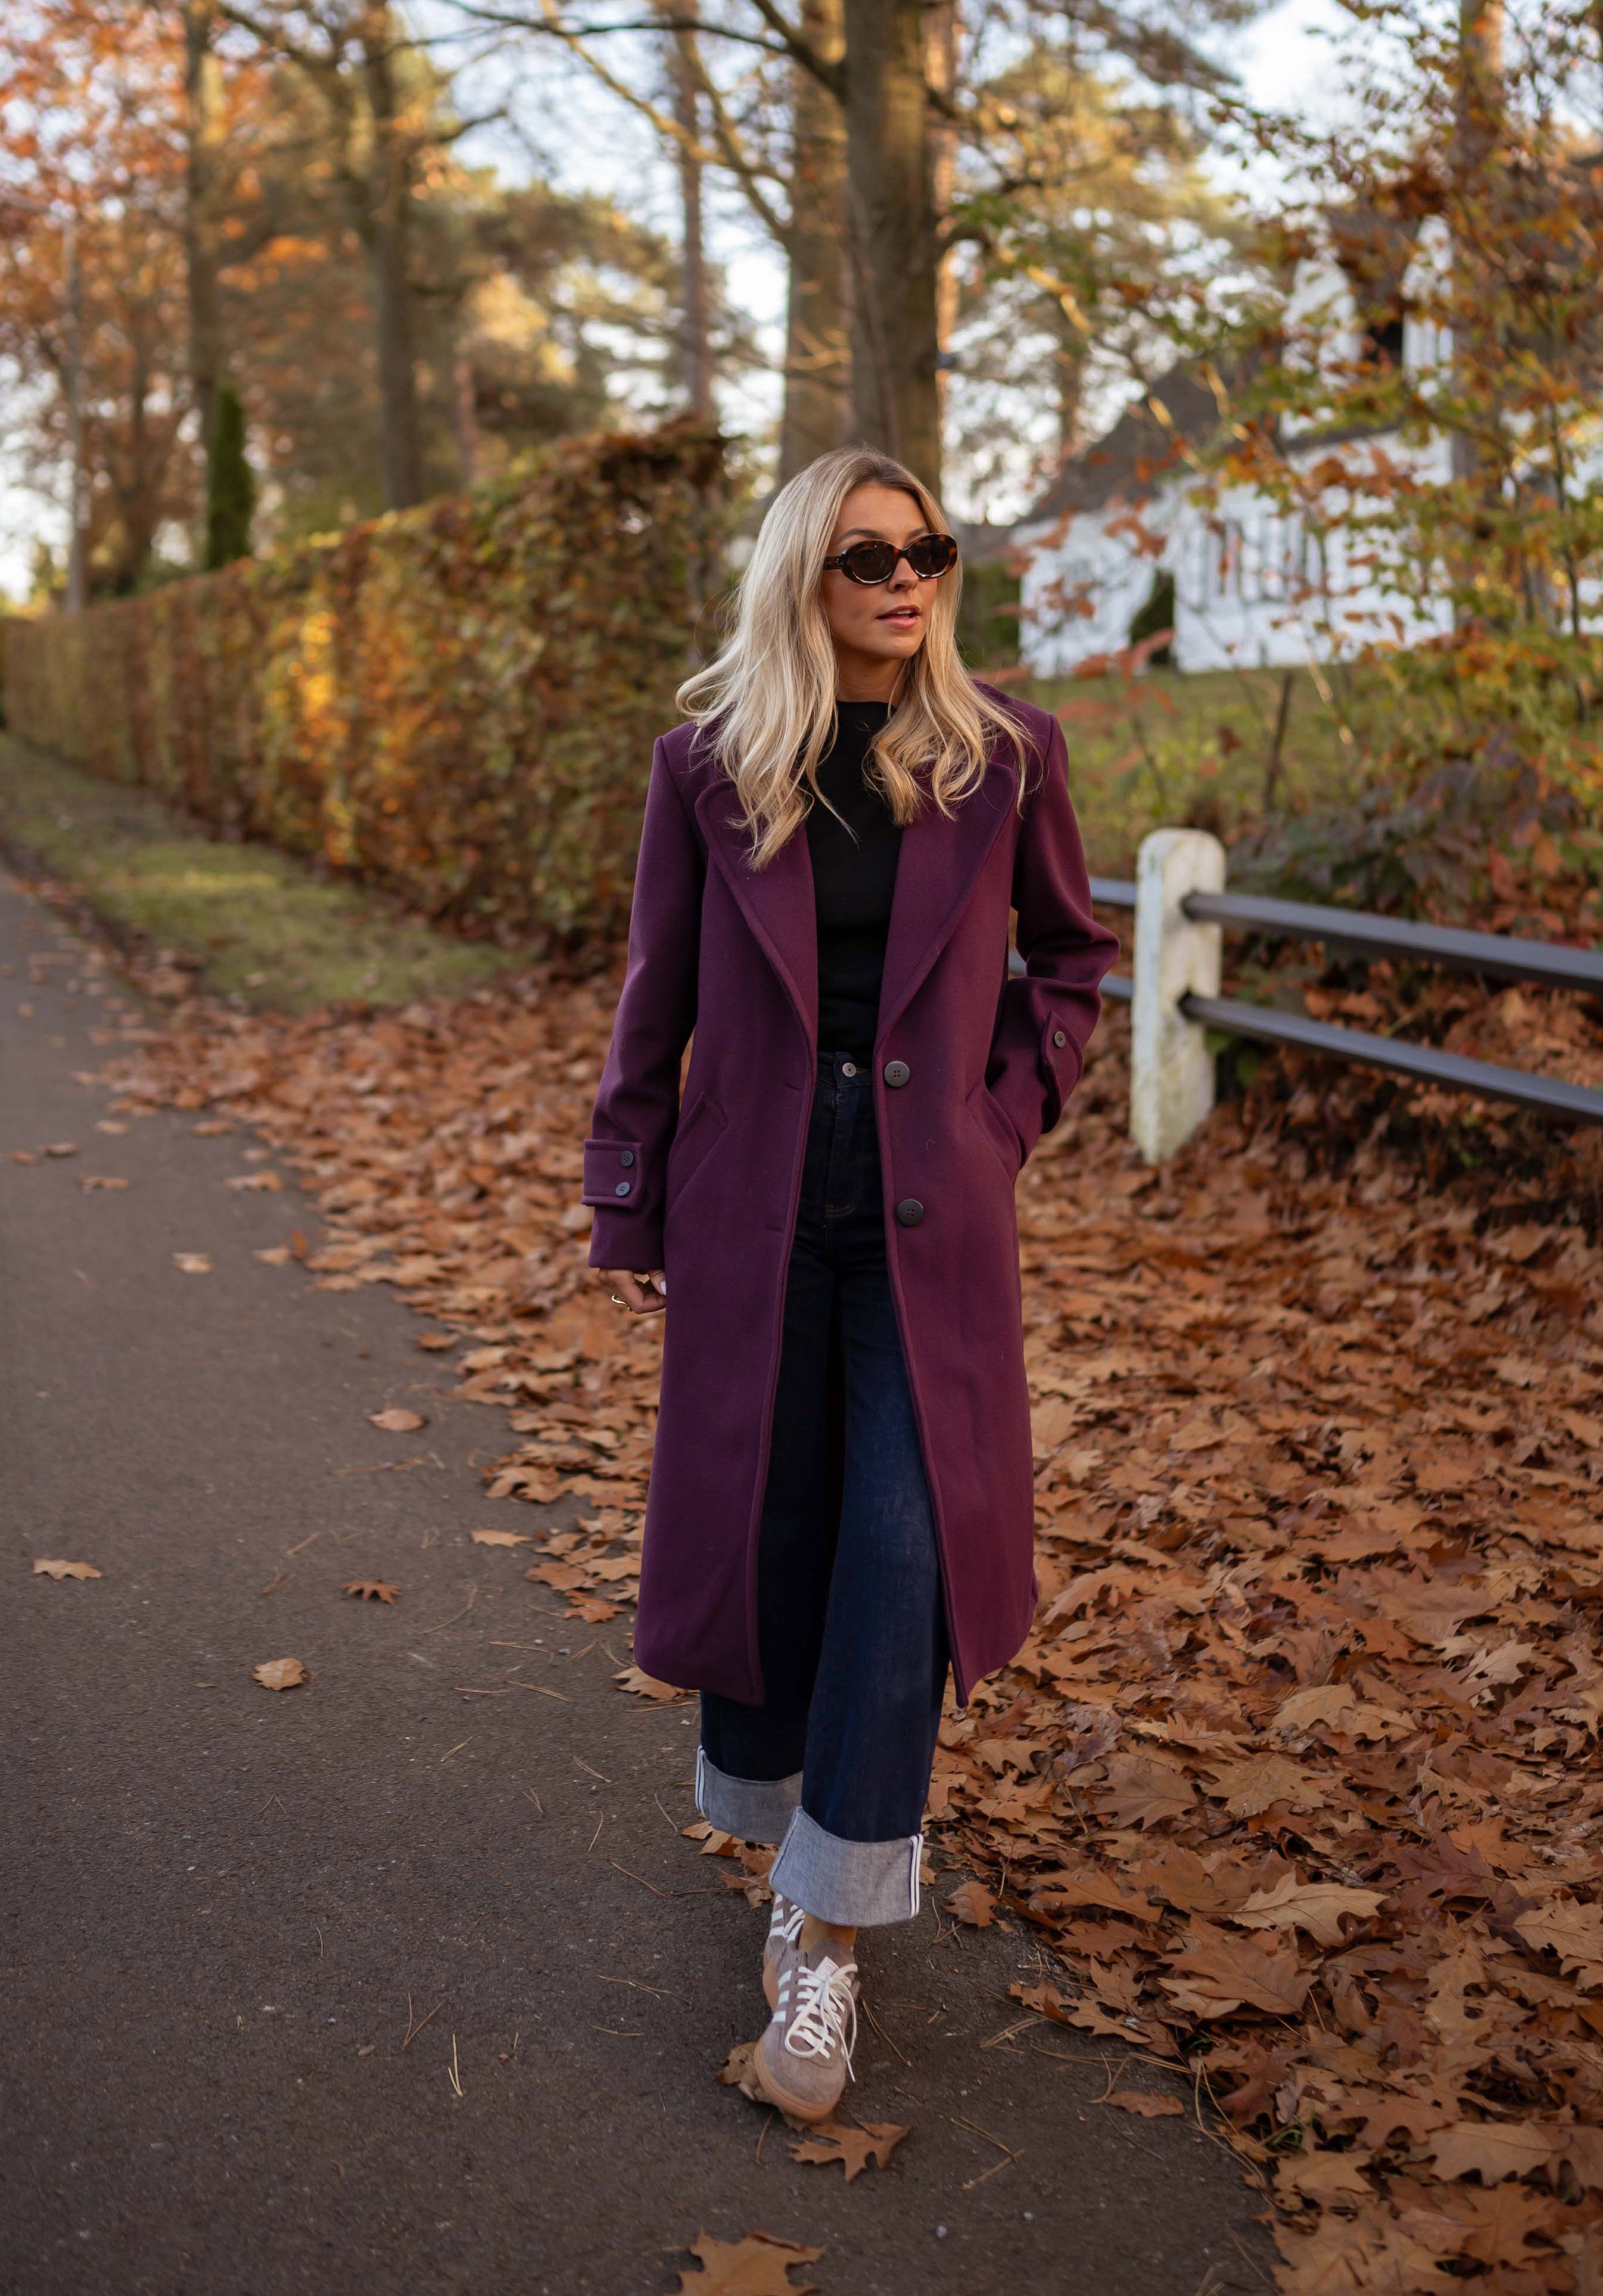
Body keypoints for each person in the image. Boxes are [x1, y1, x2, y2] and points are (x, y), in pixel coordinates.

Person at [584, 445, 1118, 2121]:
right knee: (777, 1526)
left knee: (906, 1549)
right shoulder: (708, 766)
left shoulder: (1005, 752)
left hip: (923, 1219)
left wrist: (998, 1122)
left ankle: (822, 1927)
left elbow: (1074, 963)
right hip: (753, 1204)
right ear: (800, 576)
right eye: (866, 556)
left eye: (929, 553)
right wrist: (629, 1191)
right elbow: (653, 992)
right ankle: (779, 1830)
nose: (906, 581)